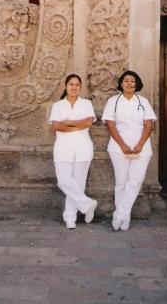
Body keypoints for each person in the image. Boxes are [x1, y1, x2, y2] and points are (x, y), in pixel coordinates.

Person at [102, 70, 157, 231]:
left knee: (135, 181)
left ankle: (120, 214)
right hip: (118, 147)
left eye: (132, 81)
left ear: (137, 84)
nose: (129, 83)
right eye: (126, 80)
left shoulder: (143, 101)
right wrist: (123, 145)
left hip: (141, 147)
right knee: (121, 182)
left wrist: (140, 144)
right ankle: (124, 219)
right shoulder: (113, 101)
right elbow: (110, 124)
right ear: (121, 83)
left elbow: (149, 124)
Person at [49, 74, 98, 229]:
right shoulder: (58, 105)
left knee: (78, 184)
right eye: (71, 84)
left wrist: (69, 123)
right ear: (66, 86)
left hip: (83, 148)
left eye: (77, 84)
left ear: (80, 86)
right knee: (63, 181)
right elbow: (56, 126)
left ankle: (70, 218)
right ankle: (88, 204)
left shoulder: (86, 104)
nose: (74, 87)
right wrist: (79, 125)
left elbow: (89, 122)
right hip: (63, 148)